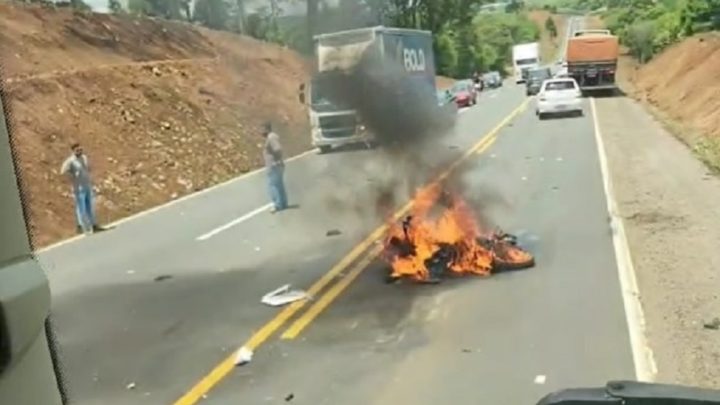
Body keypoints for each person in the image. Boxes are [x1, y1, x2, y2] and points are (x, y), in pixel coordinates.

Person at [60, 142, 102, 234]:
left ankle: (94, 225)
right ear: (73, 151)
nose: (80, 151)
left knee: (90, 206)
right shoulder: (70, 161)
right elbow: (63, 172)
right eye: (77, 150)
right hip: (78, 188)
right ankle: (82, 227)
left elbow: (88, 168)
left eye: (80, 150)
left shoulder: (84, 158)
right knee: (81, 208)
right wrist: (72, 176)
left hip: (87, 185)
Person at [262, 122, 288, 213]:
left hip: (274, 166)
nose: (261, 132)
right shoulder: (272, 137)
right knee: (279, 185)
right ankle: (283, 203)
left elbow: (277, 149)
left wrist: (276, 160)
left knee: (273, 185)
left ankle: (278, 204)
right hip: (277, 165)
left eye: (262, 129)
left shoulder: (271, 137)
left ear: (266, 129)